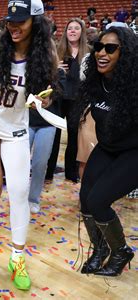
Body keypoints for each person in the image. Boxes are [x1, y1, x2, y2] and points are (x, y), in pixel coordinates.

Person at [0, 0, 56, 290]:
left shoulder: (46, 56)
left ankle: (17, 256)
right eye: (10, 20)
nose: (14, 26)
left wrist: (42, 99)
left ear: (37, 22)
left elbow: (46, 92)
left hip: (16, 125)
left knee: (19, 191)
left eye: (21, 20)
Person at [76, 26, 137, 276]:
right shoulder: (97, 81)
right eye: (99, 47)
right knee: (85, 200)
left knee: (99, 201)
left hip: (133, 152)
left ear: (126, 54)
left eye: (110, 48)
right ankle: (100, 250)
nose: (102, 53)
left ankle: (120, 250)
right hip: (107, 147)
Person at [46, 18, 89, 183]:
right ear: (65, 32)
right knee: (53, 136)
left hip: (77, 100)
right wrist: (55, 68)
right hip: (58, 98)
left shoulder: (88, 53)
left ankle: (71, 172)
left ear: (81, 32)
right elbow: (47, 73)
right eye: (69, 28)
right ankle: (48, 171)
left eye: (76, 28)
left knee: (73, 137)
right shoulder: (57, 50)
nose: (72, 31)